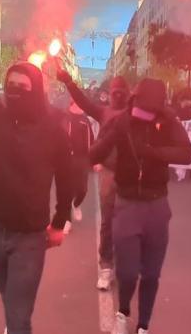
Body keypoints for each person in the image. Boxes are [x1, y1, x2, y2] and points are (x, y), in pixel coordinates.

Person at [0, 0, 73, 334]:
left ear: (36, 90)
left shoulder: (54, 127)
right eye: (10, 84)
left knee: (19, 314)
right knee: (9, 299)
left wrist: (59, 222)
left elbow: (67, 179)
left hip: (29, 237)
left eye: (22, 85)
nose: (14, 89)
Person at [90, 78, 191, 334]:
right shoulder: (122, 120)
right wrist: (112, 136)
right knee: (126, 272)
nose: (146, 114)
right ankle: (123, 312)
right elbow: (94, 154)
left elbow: (187, 154)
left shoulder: (168, 121)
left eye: (152, 110)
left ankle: (143, 325)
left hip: (157, 206)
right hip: (126, 204)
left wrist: (152, 152)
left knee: (151, 273)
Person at [57, 68, 131, 291]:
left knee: (128, 223)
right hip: (109, 173)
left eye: (121, 91)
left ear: (127, 94)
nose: (117, 95)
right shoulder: (104, 112)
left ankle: (125, 263)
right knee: (108, 221)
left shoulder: (136, 113)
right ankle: (106, 266)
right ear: (109, 93)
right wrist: (69, 82)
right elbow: (84, 101)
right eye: (114, 91)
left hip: (131, 177)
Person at [58, 101, 95, 235]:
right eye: (78, 104)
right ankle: (67, 221)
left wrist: (94, 159)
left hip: (82, 159)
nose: (80, 107)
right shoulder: (65, 118)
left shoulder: (85, 120)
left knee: (82, 190)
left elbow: (91, 139)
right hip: (67, 160)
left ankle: (76, 204)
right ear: (71, 105)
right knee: (67, 191)